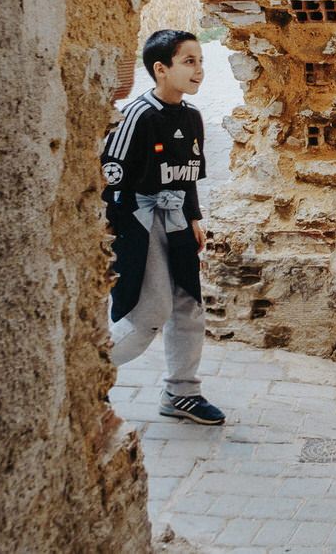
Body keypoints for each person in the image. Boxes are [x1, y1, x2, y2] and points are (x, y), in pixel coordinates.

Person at [101, 29, 225, 425]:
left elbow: (188, 176)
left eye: (201, 61)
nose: (199, 70)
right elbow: (110, 177)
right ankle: (86, 370)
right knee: (150, 313)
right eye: (189, 61)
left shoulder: (192, 117)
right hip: (140, 221)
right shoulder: (137, 116)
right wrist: (117, 233)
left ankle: (181, 393)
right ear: (161, 69)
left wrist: (193, 218)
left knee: (189, 306)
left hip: (178, 221)